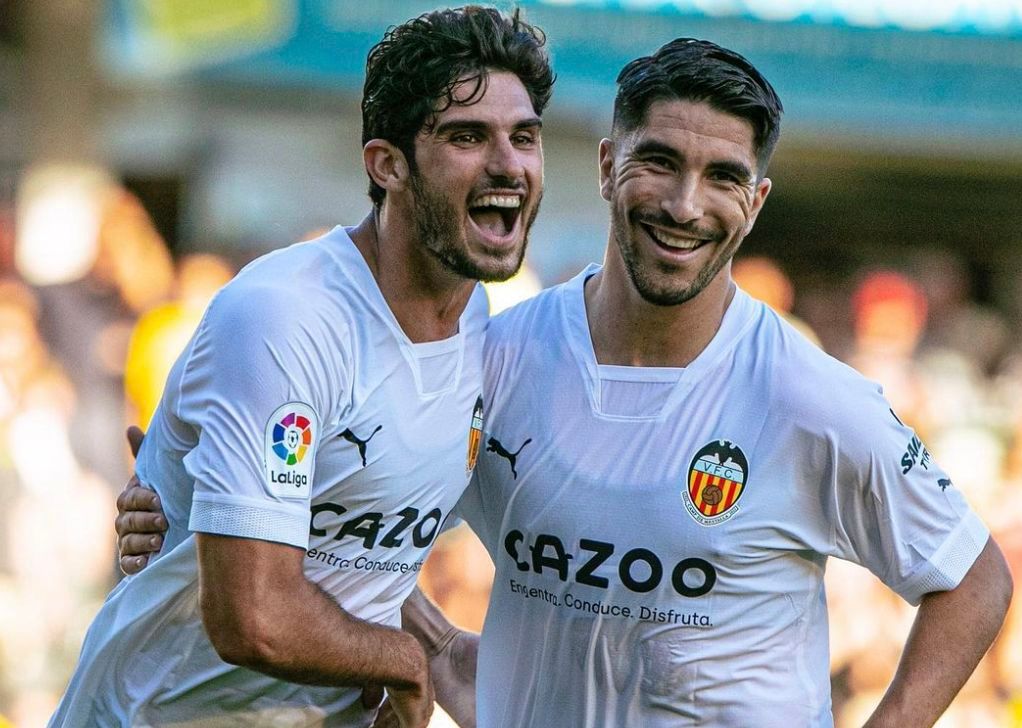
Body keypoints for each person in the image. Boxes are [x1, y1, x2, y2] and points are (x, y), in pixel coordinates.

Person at [117, 37, 1014, 727]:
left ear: (759, 201)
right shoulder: (496, 360)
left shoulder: (809, 398)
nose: (685, 203)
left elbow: (974, 581)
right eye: (659, 161)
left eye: (724, 177)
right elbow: (345, 517)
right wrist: (184, 499)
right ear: (607, 166)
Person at [51, 6, 552, 728]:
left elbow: (346, 532)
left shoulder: (479, 326)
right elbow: (253, 614)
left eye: (524, 137)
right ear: (388, 164)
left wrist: (439, 649)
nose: (508, 164)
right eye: (467, 136)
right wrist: (401, 662)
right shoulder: (288, 315)